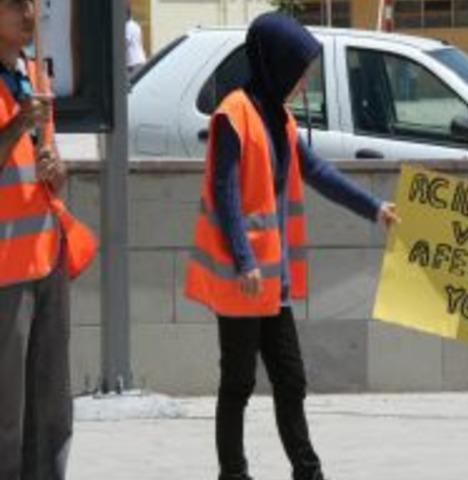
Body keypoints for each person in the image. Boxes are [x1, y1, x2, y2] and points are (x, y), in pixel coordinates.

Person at [184, 12, 398, 480]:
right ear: (277, 63)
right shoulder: (232, 115)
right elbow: (225, 193)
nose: (305, 82)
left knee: (291, 379)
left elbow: (318, 171)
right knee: (238, 383)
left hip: (270, 281)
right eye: (301, 70)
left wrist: (373, 208)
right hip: (242, 279)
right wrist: (243, 259)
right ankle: (233, 473)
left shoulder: (276, 116)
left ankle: (308, 471)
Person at [0, 0, 96, 478]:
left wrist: (58, 171)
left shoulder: (34, 74)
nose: (31, 13)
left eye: (35, 3)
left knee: (52, 406)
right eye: (17, 4)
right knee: (8, 413)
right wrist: (18, 122)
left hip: (46, 260)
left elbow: (44, 166)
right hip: (5, 275)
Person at [125, 4, 146, 76]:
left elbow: (125, 43)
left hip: (133, 63)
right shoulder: (135, 25)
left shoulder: (128, 27)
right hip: (139, 59)